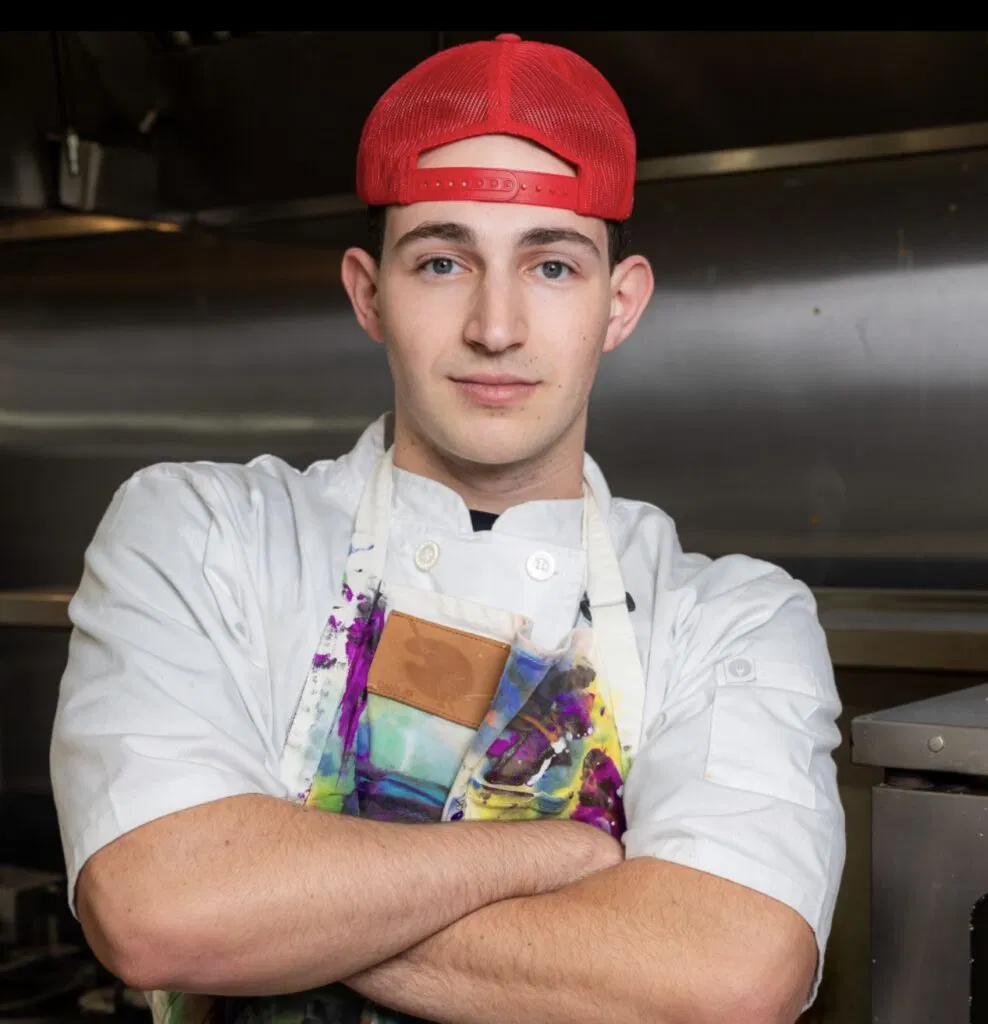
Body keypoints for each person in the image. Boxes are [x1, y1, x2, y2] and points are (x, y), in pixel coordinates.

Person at [50, 32, 845, 1024]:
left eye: (551, 266)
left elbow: (728, 978)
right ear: (368, 293)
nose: (495, 327)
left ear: (619, 303)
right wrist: (556, 855)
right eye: (440, 261)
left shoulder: (731, 618)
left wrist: (278, 910)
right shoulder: (205, 534)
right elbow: (162, 911)